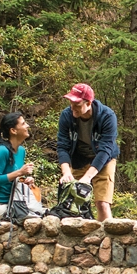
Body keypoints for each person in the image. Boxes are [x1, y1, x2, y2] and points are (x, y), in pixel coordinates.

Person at [55, 83, 119, 221]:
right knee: (74, 202)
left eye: (77, 104)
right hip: (79, 159)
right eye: (71, 103)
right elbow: (62, 146)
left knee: (102, 203)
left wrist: (88, 177)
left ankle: (107, 238)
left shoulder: (107, 116)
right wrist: (66, 172)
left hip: (103, 160)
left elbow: (105, 150)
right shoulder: (66, 116)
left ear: (88, 103)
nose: (73, 108)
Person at [0, 112, 36, 221]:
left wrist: (25, 181)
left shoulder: (21, 151)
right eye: (23, 124)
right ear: (13, 131)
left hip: (12, 203)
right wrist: (20, 172)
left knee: (40, 213)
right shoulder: (2, 151)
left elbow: (13, 179)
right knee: (30, 217)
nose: (27, 126)